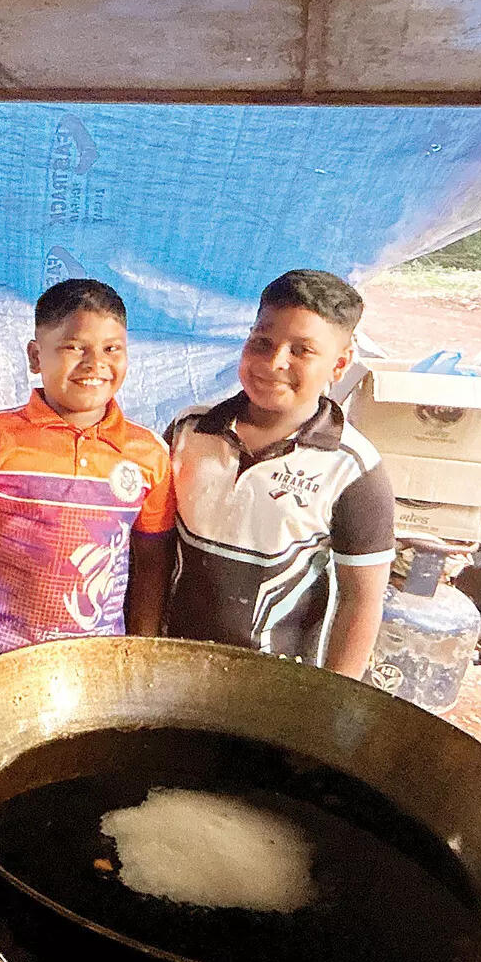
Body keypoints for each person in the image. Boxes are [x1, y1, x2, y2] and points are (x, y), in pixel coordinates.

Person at [165, 269, 393, 678]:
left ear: (339, 365)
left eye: (302, 350)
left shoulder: (353, 470)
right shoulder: (188, 431)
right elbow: (155, 549)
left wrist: (337, 701)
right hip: (170, 667)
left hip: (275, 692)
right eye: (262, 342)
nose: (274, 362)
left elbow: (361, 601)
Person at [0, 279, 175, 659]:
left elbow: (152, 565)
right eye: (75, 347)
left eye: (112, 349)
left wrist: (140, 653)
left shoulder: (148, 454)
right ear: (35, 356)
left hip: (93, 667)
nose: (96, 365)